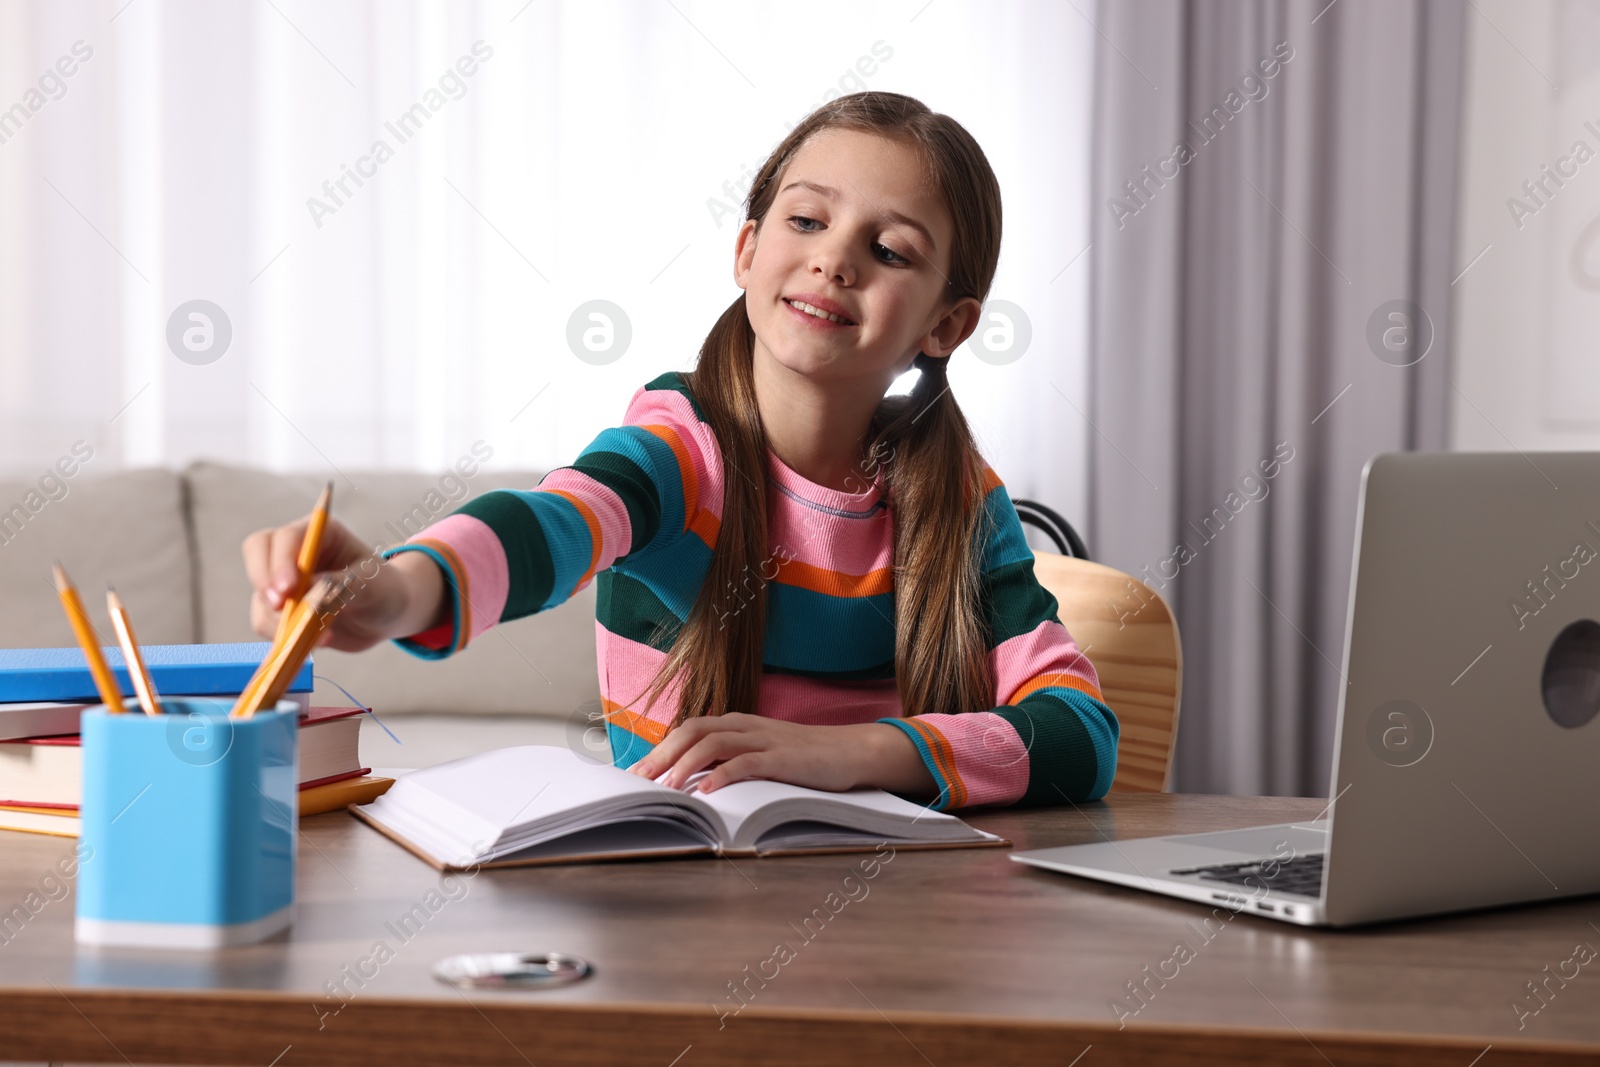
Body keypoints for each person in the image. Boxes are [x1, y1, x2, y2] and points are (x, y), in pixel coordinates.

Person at [242, 91, 1117, 811]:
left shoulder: (957, 500)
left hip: (904, 906)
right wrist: (400, 590)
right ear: (747, 250)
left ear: (946, 325)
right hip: (684, 902)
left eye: (888, 250)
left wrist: (848, 753)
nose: (834, 261)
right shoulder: (679, 449)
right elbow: (551, 525)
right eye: (806, 220)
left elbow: (1081, 734)